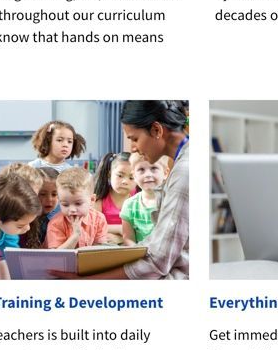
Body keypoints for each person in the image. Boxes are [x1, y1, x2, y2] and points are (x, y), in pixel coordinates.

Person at [51, 101, 189, 279]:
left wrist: (86, 281)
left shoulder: (184, 173)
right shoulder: (181, 165)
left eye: (134, 138)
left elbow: (157, 261)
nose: (132, 148)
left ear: (156, 130)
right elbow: (157, 243)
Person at [46, 167, 109, 250]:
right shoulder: (55, 224)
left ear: (92, 200)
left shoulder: (98, 219)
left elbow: (100, 250)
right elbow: (57, 257)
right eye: (65, 204)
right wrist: (75, 236)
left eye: (78, 203)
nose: (72, 209)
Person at [120, 153, 167, 245]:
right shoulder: (129, 205)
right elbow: (128, 238)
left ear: (165, 173)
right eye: (141, 169)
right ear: (134, 176)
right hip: (140, 255)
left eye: (154, 168)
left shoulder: (172, 201)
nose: (148, 175)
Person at [92, 152, 134, 244]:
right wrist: (119, 229)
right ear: (109, 174)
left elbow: (141, 229)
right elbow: (93, 225)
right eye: (120, 175)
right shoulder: (100, 197)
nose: (125, 181)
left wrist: (122, 239)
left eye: (131, 178)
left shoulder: (138, 199)